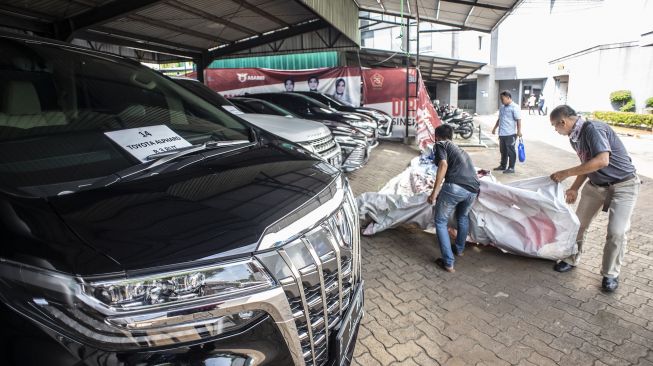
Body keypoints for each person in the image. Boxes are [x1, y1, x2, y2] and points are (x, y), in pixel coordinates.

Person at [549, 105, 639, 292]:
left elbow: (602, 161)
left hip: (623, 186)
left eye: (555, 126)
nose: (555, 130)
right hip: (595, 186)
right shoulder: (575, 137)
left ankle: (610, 274)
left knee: (617, 232)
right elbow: (587, 165)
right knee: (578, 224)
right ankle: (571, 258)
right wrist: (574, 188)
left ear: (563, 122)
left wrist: (566, 173)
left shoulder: (593, 130)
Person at [427, 124, 480, 273]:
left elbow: (443, 165)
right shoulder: (461, 150)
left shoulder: (440, 144)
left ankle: (448, 262)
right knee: (462, 216)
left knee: (440, 221)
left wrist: (434, 193)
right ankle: (459, 249)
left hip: (456, 186)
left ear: (437, 136)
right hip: (474, 189)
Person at [491, 90, 522, 174]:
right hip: (502, 133)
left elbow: (518, 120)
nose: (501, 100)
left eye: (503, 99)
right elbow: (499, 119)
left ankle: (511, 167)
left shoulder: (515, 107)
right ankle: (503, 165)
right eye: (501, 99)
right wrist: (494, 128)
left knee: (511, 151)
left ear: (508, 98)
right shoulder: (502, 107)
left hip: (510, 134)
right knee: (503, 151)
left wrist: (519, 131)